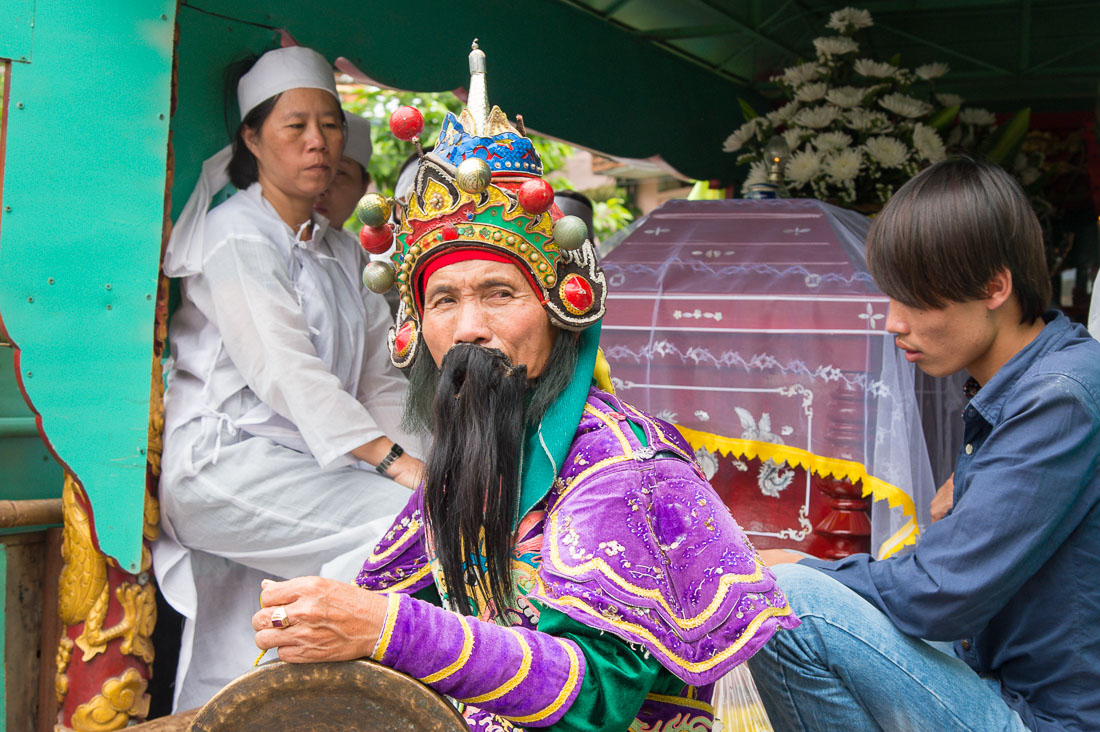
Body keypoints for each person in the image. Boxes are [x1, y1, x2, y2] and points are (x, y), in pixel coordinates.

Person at [249, 43, 799, 731]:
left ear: (562, 310)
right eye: (443, 301)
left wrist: (389, 629)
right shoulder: (473, 453)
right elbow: (380, 598)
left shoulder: (623, 470)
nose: (470, 327)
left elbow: (600, 694)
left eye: (499, 293)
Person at [748, 158, 1100, 732]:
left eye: (915, 300)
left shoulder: (1061, 396)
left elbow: (941, 592)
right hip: (996, 684)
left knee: (788, 601)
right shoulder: (1037, 381)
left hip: (1047, 719)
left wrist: (808, 567)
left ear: (994, 287)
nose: (893, 323)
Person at [154, 45, 424, 710]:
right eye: (294, 127)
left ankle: (247, 708)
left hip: (298, 466)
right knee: (398, 520)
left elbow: (379, 382)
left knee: (228, 645)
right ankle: (295, 705)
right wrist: (395, 466)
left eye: (330, 125)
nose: (318, 143)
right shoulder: (235, 235)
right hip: (221, 465)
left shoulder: (338, 252)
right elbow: (287, 372)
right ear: (252, 138)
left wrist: (428, 464)